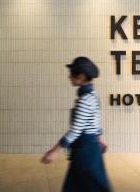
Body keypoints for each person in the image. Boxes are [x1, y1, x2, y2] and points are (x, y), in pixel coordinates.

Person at [41, 56, 112, 192]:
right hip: (91, 149)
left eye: (72, 74)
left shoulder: (85, 100)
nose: (69, 77)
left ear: (81, 76)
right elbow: (95, 122)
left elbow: (75, 131)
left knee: (85, 186)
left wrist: (54, 151)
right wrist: (100, 139)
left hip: (85, 152)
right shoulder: (92, 96)